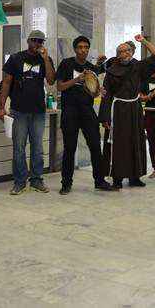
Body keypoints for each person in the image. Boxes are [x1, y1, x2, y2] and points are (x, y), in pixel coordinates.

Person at [100, 35, 155, 188]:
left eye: (127, 50)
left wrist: (144, 41)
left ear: (132, 52)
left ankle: (135, 176)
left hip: (134, 108)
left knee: (136, 141)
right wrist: (105, 117)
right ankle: (117, 178)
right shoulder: (111, 71)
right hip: (118, 111)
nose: (125, 53)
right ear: (117, 54)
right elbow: (107, 95)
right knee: (118, 144)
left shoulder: (138, 66)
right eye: (121, 51)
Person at [0, 30, 56, 195]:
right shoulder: (16, 58)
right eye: (34, 40)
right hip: (19, 110)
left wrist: (45, 59)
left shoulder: (45, 60)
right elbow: (6, 83)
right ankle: (19, 181)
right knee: (19, 148)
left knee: (37, 148)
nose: (37, 44)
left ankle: (37, 180)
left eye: (40, 41)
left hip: (38, 110)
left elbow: (51, 80)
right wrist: (2, 107)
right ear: (28, 41)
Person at [55, 36, 114, 194]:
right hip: (70, 111)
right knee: (70, 148)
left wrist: (98, 91)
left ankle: (99, 180)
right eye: (80, 47)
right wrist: (77, 79)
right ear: (75, 49)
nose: (83, 50)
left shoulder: (91, 67)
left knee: (95, 145)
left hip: (87, 111)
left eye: (86, 47)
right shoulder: (66, 64)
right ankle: (66, 183)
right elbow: (60, 87)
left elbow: (93, 92)